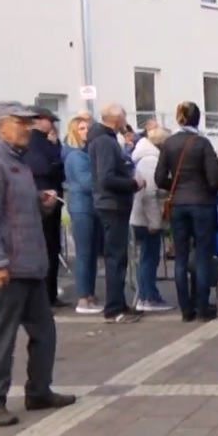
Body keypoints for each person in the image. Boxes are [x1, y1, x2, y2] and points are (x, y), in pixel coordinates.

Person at [0, 102, 78, 426]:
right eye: (20, 123)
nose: (28, 128)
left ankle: (39, 391)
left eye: (30, 123)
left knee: (44, 332)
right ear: (1, 126)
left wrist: (38, 202)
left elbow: (13, 211)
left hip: (29, 266)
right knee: (2, 336)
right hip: (7, 268)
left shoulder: (17, 161)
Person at [155, 102, 218, 322]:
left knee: (180, 257)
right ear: (198, 118)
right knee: (203, 255)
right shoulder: (202, 143)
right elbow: (214, 179)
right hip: (202, 203)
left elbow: (159, 178)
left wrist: (176, 187)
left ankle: (186, 309)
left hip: (178, 204)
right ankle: (203, 307)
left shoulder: (168, 143)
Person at [88, 103, 143, 324]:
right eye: (124, 117)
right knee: (115, 257)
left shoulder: (104, 139)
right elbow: (107, 177)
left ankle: (119, 303)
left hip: (112, 204)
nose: (125, 121)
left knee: (118, 257)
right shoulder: (104, 142)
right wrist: (132, 183)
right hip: (112, 205)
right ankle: (114, 308)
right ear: (115, 118)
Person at [23, 107, 69, 308]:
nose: (52, 124)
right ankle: (43, 298)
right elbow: (42, 167)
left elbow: (58, 161)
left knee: (52, 248)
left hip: (53, 197)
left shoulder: (47, 141)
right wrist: (56, 162)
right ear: (39, 120)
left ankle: (50, 295)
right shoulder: (34, 141)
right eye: (49, 120)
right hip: (43, 198)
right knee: (45, 248)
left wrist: (56, 153)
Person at [61, 115, 103, 314]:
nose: (87, 131)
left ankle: (89, 293)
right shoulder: (75, 156)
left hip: (90, 207)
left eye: (88, 127)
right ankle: (83, 297)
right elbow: (87, 182)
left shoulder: (85, 153)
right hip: (81, 207)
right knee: (84, 254)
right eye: (82, 128)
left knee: (91, 253)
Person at [130, 126, 172, 312]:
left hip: (143, 217)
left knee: (148, 257)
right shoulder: (151, 161)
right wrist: (155, 222)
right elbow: (148, 194)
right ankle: (148, 297)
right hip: (146, 219)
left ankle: (146, 295)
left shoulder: (147, 158)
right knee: (149, 257)